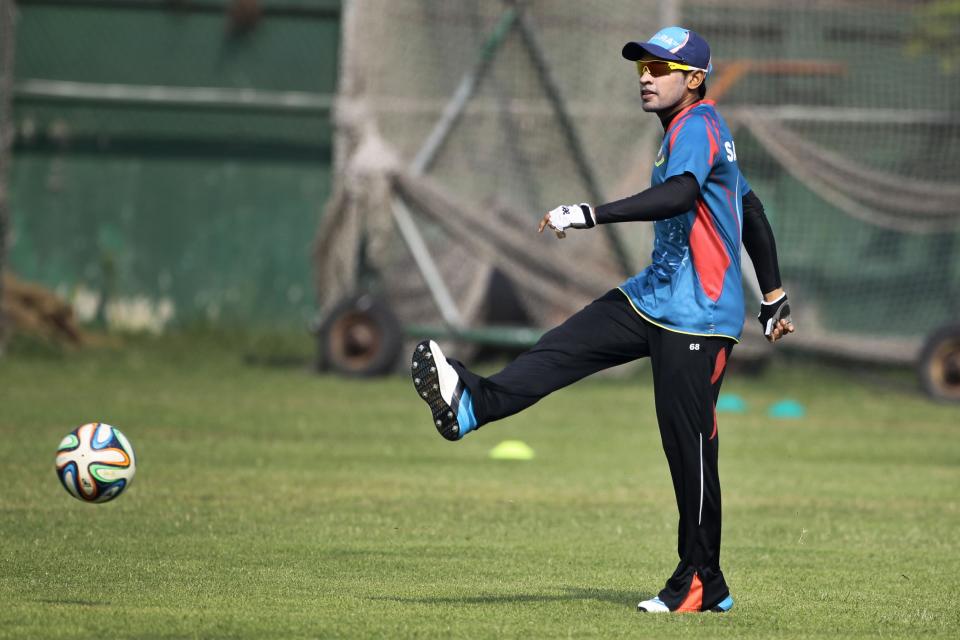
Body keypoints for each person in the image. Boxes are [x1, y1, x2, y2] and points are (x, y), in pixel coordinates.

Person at [410, 26, 794, 614]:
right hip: (654, 298)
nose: (645, 75)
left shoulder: (699, 126)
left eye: (660, 68)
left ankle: (700, 583)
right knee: (562, 346)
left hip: (698, 317)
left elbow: (682, 196)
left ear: (693, 80)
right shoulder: (691, 132)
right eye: (642, 66)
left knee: (687, 450)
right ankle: (471, 404)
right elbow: (751, 208)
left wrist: (591, 213)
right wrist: (773, 296)